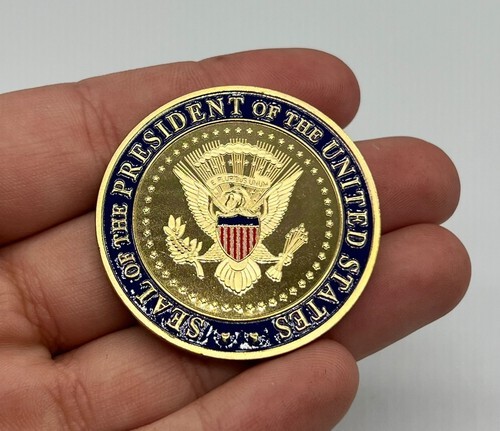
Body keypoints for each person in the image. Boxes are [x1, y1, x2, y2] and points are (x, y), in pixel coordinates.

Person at [0, 48, 470, 430]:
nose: (237, 199)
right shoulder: (210, 205)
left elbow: (276, 190)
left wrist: (270, 255)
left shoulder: (262, 204)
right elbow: (192, 186)